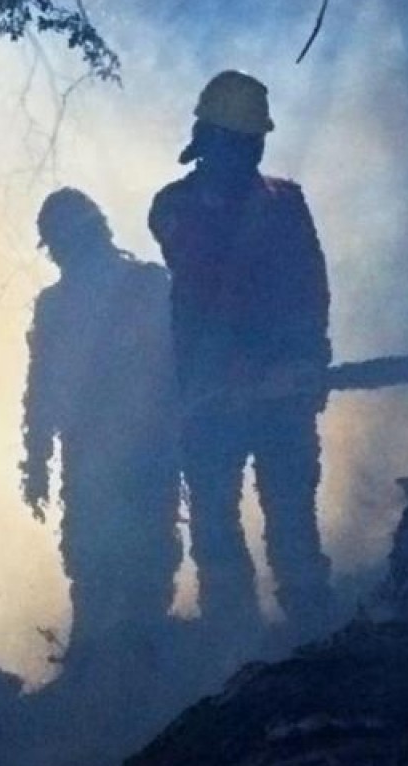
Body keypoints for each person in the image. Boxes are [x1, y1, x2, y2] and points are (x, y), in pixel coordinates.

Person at [148, 71, 335, 640]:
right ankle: (235, 643)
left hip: (276, 390)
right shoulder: (177, 208)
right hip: (212, 395)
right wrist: (245, 368)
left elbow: (310, 289)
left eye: (252, 140)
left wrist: (307, 361)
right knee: (216, 525)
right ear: (214, 141)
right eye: (240, 139)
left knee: (290, 519)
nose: (250, 150)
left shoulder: (283, 203)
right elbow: (202, 279)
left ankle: (311, 637)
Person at [20, 188, 182, 669]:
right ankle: (118, 655)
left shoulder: (139, 287)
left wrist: (36, 461)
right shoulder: (146, 284)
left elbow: (42, 388)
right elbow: (43, 387)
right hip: (124, 446)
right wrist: (36, 460)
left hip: (122, 446)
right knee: (116, 552)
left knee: (112, 554)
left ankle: (114, 659)